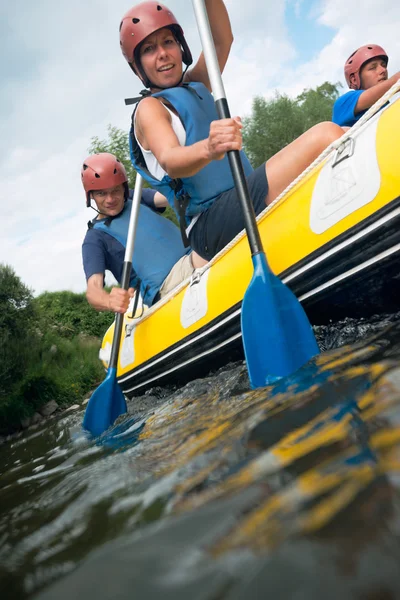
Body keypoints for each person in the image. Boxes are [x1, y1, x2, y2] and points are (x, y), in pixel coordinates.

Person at [119, 0, 344, 261]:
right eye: (149, 49)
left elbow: (221, 40)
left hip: (240, 195)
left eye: (168, 42)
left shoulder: (195, 84)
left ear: (180, 47)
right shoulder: (150, 108)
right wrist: (209, 147)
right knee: (325, 136)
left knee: (343, 129)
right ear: (137, 67)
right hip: (209, 222)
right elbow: (171, 160)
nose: (163, 53)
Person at [81, 152, 205, 314]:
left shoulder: (133, 197)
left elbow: (167, 198)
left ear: (124, 189)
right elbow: (93, 291)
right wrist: (109, 300)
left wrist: (184, 181)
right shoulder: (94, 239)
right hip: (167, 285)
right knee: (210, 248)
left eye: (116, 191)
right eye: (101, 193)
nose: (110, 199)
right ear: (91, 196)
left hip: (192, 255)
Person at [333, 44, 400, 128]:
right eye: (373, 67)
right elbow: (393, 82)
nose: (383, 70)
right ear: (354, 79)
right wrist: (397, 80)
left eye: (383, 65)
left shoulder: (387, 106)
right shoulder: (344, 102)